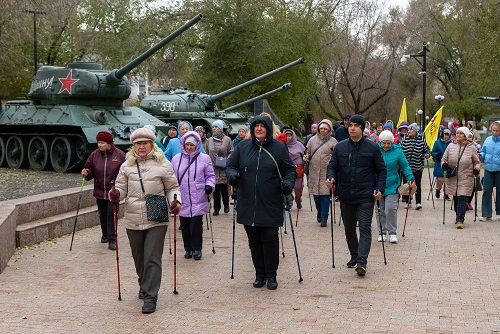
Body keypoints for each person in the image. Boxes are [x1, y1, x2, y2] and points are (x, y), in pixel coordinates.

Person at [108, 127, 181, 314]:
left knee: (152, 257)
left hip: (156, 217)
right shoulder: (126, 166)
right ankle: (144, 283)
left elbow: (172, 187)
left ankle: (150, 296)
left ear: (152, 144)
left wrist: (175, 200)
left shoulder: (163, 164)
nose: (141, 147)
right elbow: (121, 189)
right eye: (138, 144)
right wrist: (116, 194)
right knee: (139, 257)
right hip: (133, 218)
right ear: (133, 146)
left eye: (145, 143)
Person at [226, 115, 296, 290]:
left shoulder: (278, 148)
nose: (259, 129)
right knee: (254, 241)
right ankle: (259, 274)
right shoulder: (242, 147)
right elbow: (230, 165)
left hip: (270, 201)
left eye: (262, 126)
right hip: (248, 201)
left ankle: (271, 275)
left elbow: (289, 170)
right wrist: (232, 176)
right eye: (256, 126)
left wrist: (287, 184)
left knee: (270, 238)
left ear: (268, 128)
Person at [326, 114, 386, 276]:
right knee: (349, 229)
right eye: (350, 125)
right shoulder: (340, 147)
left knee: (365, 228)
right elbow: (332, 166)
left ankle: (362, 261)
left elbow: (381, 170)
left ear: (362, 128)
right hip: (345, 194)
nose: (352, 128)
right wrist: (330, 177)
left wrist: (379, 188)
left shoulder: (372, 148)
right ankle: (354, 254)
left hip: (366, 195)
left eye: (356, 125)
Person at [172, 131, 215, 260]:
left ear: (197, 145)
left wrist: (210, 186)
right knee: (184, 225)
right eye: (187, 144)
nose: (189, 147)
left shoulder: (204, 158)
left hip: (199, 196)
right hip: (182, 196)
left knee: (196, 224)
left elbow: (210, 176)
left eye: (192, 145)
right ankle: (188, 248)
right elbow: (171, 177)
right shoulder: (176, 159)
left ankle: (197, 248)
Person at [81, 131, 125, 250]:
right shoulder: (94, 155)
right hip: (100, 191)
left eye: (102, 142)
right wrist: (86, 173)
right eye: (98, 142)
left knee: (112, 215)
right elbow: (89, 169)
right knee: (103, 214)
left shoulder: (120, 155)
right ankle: (105, 234)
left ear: (109, 143)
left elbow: (125, 173)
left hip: (113, 192)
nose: (99, 145)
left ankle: (112, 239)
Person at [376, 130, 414, 243]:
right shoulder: (375, 150)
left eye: (388, 143)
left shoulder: (398, 151)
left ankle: (392, 232)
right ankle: (382, 232)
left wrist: (410, 177)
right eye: (384, 143)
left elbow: (405, 165)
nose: (386, 145)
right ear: (380, 142)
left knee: (391, 209)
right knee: (380, 209)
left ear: (392, 142)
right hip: (378, 184)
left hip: (393, 184)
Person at [442, 127, 480, 229]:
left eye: (461, 133)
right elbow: (444, 159)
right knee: (456, 197)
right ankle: (457, 214)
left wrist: (477, 169)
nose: (458, 135)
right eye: (457, 133)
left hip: (466, 176)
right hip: (453, 176)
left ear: (466, 136)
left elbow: (477, 162)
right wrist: (444, 165)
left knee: (462, 197)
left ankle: (460, 219)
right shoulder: (450, 146)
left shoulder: (471, 148)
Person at [305, 119, 337, 227]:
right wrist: (305, 157)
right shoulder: (312, 140)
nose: (323, 130)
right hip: (313, 171)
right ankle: (319, 211)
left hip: (326, 171)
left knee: (325, 195)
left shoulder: (333, 141)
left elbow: (336, 155)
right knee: (316, 195)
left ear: (329, 130)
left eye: (325, 129)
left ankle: (324, 217)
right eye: (321, 128)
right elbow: (307, 151)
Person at [206, 120, 233, 216]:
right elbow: (207, 152)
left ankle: (226, 205)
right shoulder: (209, 140)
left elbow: (231, 151)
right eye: (213, 127)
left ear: (220, 129)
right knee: (215, 190)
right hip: (213, 167)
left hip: (224, 167)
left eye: (216, 127)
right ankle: (216, 208)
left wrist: (227, 160)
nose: (214, 129)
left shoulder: (227, 139)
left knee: (224, 190)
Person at [400, 123, 429, 210]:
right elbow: (400, 149)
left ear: (415, 131)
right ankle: (407, 202)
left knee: (417, 185)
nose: (408, 131)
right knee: (407, 185)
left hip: (418, 166)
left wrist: (427, 154)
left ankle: (418, 202)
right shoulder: (405, 138)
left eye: (410, 130)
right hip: (406, 167)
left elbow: (426, 149)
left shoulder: (421, 139)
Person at [479, 121, 500, 221]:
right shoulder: (487, 140)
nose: (495, 132)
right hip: (488, 168)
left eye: (497, 131)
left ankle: (499, 213)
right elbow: (483, 151)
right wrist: (481, 156)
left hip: (499, 169)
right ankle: (486, 213)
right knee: (486, 190)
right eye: (493, 130)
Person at [282, 126, 306, 209]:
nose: (288, 137)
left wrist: (304, 161)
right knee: (288, 187)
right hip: (286, 170)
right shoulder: (281, 145)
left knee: (298, 187)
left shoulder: (299, 145)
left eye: (290, 135)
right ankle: (289, 203)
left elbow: (304, 155)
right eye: (286, 135)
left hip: (297, 169)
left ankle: (298, 200)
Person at [431, 128, 452, 201]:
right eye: (445, 134)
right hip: (439, 163)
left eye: (448, 135)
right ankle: (438, 189)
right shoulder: (437, 142)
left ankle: (446, 194)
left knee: (447, 180)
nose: (446, 136)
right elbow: (432, 152)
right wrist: (437, 154)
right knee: (440, 179)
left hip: (448, 163)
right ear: (442, 135)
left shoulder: (451, 143)